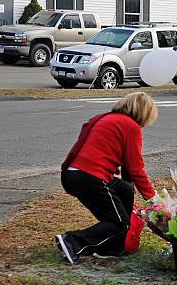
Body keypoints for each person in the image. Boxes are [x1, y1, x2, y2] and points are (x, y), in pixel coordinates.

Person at [55, 92, 158, 264]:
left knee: (124, 189)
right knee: (119, 222)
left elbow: (127, 174)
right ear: (144, 113)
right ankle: (71, 242)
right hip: (91, 177)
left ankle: (114, 247)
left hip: (71, 175)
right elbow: (135, 169)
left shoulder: (103, 118)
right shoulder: (131, 127)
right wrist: (154, 199)